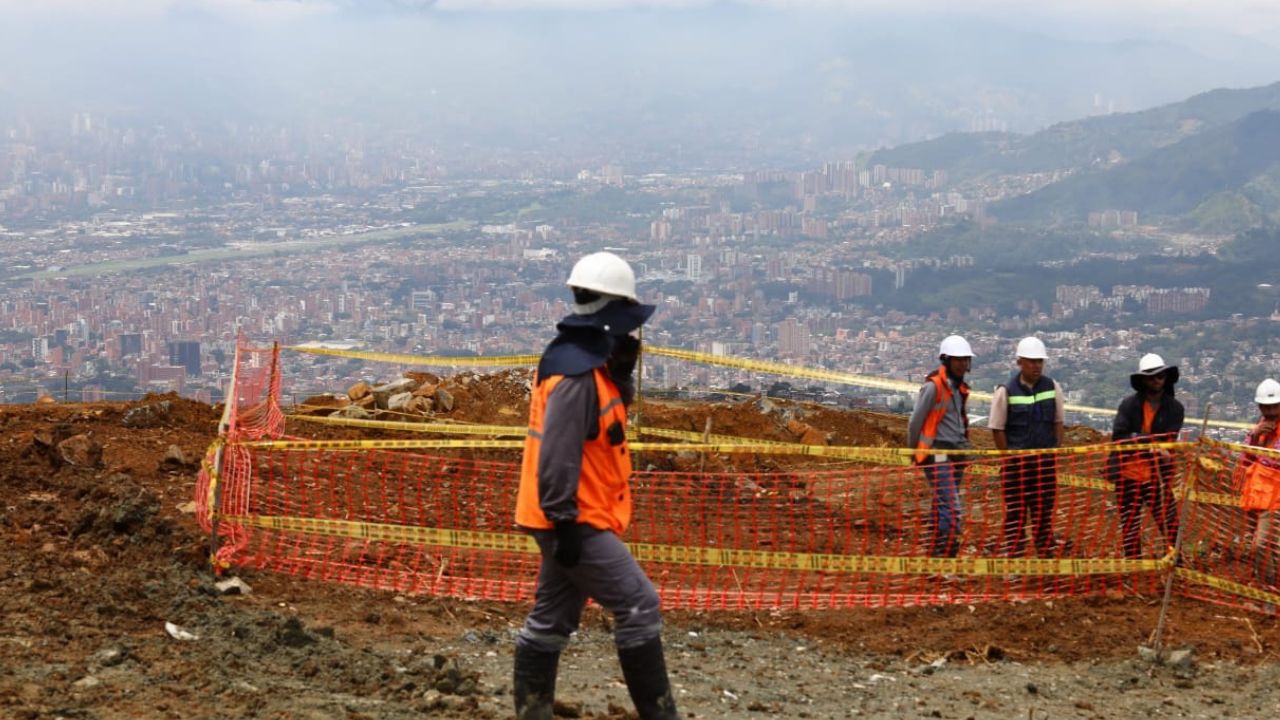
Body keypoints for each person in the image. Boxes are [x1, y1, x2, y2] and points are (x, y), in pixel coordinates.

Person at [512, 251, 681, 720]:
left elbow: (597, 434)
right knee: (639, 604)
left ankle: (533, 712)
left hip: (575, 514)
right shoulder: (576, 376)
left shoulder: (585, 365)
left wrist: (621, 376)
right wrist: (564, 522)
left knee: (551, 620)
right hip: (573, 517)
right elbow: (558, 453)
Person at [989, 337, 1065, 558]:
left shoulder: (1052, 387)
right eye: (1031, 361)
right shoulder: (1006, 391)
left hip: (1043, 466)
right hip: (1017, 468)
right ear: (1019, 362)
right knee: (1016, 515)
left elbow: (1058, 423)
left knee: (1043, 514)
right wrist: (1009, 459)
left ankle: (1045, 558)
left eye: (1039, 361)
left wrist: (1054, 452)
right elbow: (997, 429)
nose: (1036, 366)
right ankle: (1015, 559)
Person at [1107, 353, 1185, 559]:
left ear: (1166, 378)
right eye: (1151, 376)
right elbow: (1119, 436)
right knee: (1130, 525)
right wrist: (1147, 442)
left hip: (1157, 476)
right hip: (1128, 475)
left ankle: (1176, 563)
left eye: (1159, 376)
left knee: (1169, 522)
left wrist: (1149, 445)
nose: (1156, 380)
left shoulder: (1175, 409)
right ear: (1142, 380)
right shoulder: (1128, 405)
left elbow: (1169, 439)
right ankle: (1135, 565)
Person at [908, 335, 975, 558]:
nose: (963, 364)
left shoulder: (959, 388)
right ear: (946, 360)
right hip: (937, 454)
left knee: (942, 503)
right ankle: (946, 553)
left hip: (955, 456)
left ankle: (937, 550)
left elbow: (959, 423)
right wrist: (914, 451)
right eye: (958, 359)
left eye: (965, 360)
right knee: (952, 507)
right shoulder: (933, 386)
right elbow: (915, 422)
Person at [1238, 378, 1280, 586]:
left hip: (1275, 499)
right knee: (1269, 547)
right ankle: (1271, 587)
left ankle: (1266, 588)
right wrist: (1254, 438)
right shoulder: (1259, 429)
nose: (1270, 412)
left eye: (1274, 407)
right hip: (1257, 496)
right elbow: (1245, 460)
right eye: (1266, 407)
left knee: (1260, 545)